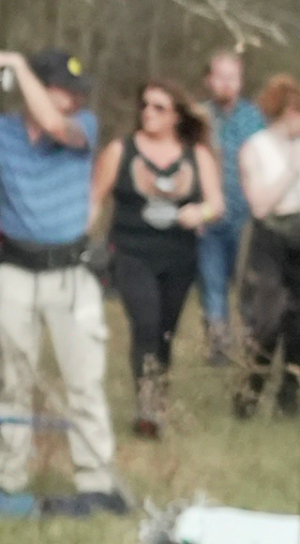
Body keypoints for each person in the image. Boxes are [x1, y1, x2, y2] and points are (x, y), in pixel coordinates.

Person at [0, 40, 121, 505]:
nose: (74, 99)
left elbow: (54, 124)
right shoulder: (0, 132)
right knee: (12, 380)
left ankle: (96, 480)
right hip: (15, 269)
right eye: (64, 90)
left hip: (70, 272)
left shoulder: (82, 127)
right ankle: (9, 473)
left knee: (83, 382)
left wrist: (13, 63)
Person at [92, 81, 222, 438]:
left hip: (179, 255)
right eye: (145, 105)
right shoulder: (122, 150)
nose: (148, 112)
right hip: (133, 250)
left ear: (177, 116)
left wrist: (201, 212)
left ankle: (158, 400)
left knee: (165, 331)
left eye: (159, 107)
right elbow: (95, 198)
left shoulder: (197, 155)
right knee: (146, 324)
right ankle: (146, 408)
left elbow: (217, 204)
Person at [234, 73, 300, 418]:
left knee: (298, 322)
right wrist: (291, 168)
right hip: (270, 235)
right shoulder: (254, 148)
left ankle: (289, 400)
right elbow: (260, 205)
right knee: (268, 319)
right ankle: (249, 393)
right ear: (285, 111)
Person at [200, 47, 261, 359]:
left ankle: (252, 345)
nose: (226, 83)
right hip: (208, 218)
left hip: (246, 216)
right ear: (209, 80)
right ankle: (219, 346)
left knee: (249, 286)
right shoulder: (197, 116)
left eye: (233, 77)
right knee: (212, 284)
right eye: (220, 77)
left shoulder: (255, 117)